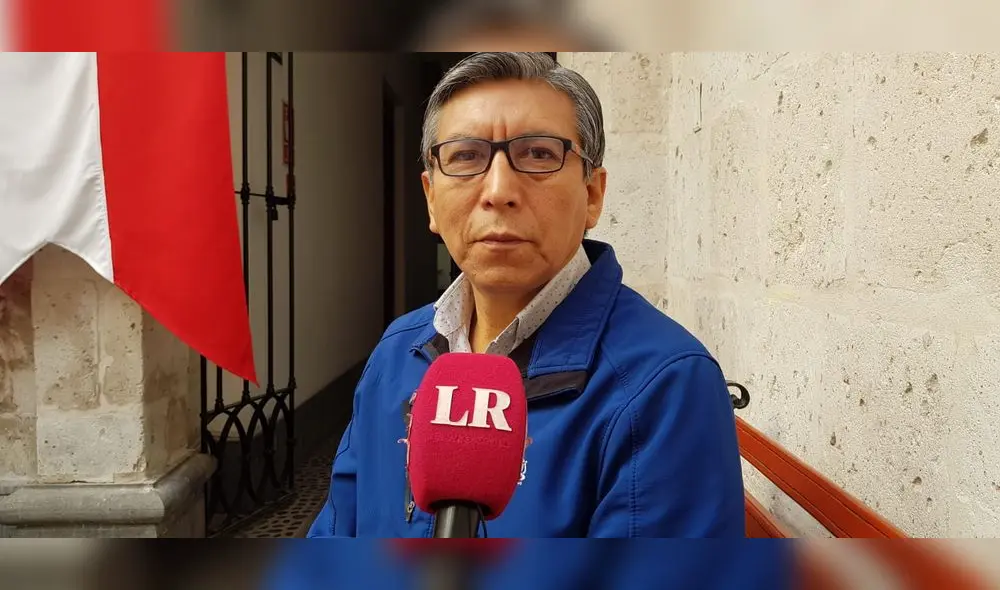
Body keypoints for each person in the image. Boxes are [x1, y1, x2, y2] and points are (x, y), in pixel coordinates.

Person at [307, 52, 745, 538]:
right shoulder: (396, 350)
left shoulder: (664, 387)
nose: (498, 190)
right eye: (466, 156)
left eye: (538, 154)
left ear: (593, 194)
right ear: (431, 198)